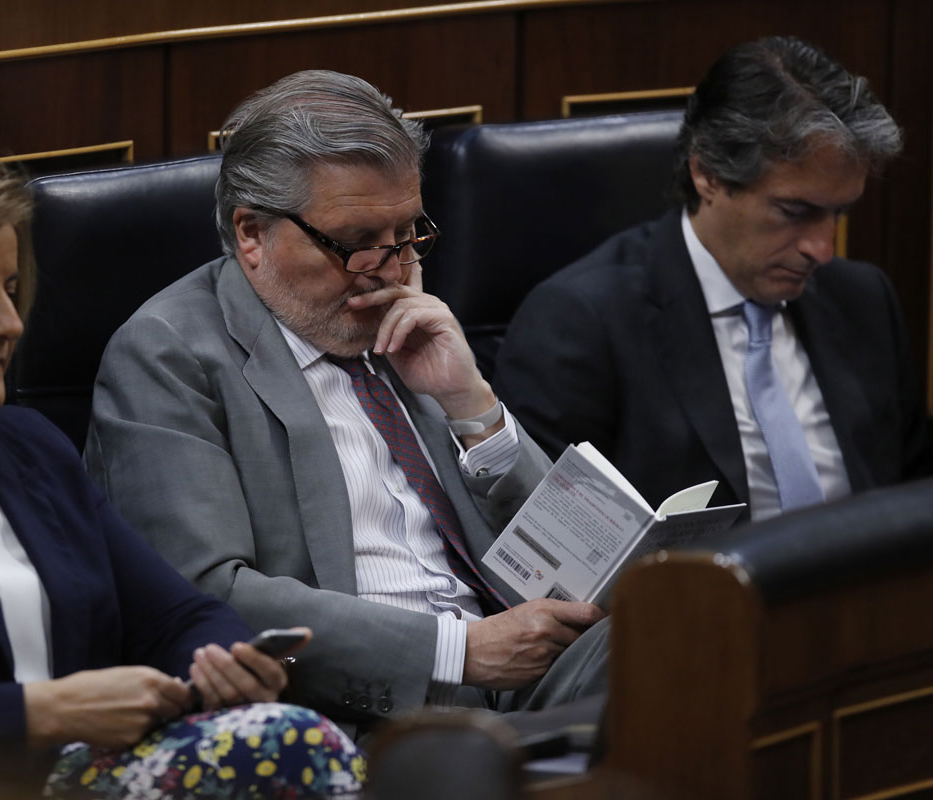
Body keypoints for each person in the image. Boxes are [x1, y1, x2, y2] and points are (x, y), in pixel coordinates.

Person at [0, 145, 364, 799]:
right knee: (296, 749)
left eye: (11, 291)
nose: (8, 324)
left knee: (305, 738)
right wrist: (41, 712)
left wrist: (226, 663)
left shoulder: (28, 449)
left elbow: (175, 617)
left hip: (78, 774)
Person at [85, 70, 609, 738]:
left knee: (694, 625)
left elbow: (575, 568)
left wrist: (469, 402)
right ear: (252, 233)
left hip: (527, 676)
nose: (390, 270)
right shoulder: (168, 354)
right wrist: (459, 652)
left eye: (407, 234)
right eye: (357, 243)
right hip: (354, 709)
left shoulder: (405, 326)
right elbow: (204, 594)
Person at [493, 36, 933, 523]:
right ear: (707, 175)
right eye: (794, 212)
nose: (823, 250)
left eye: (839, 214)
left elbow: (919, 504)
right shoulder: (580, 322)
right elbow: (552, 547)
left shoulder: (864, 299)